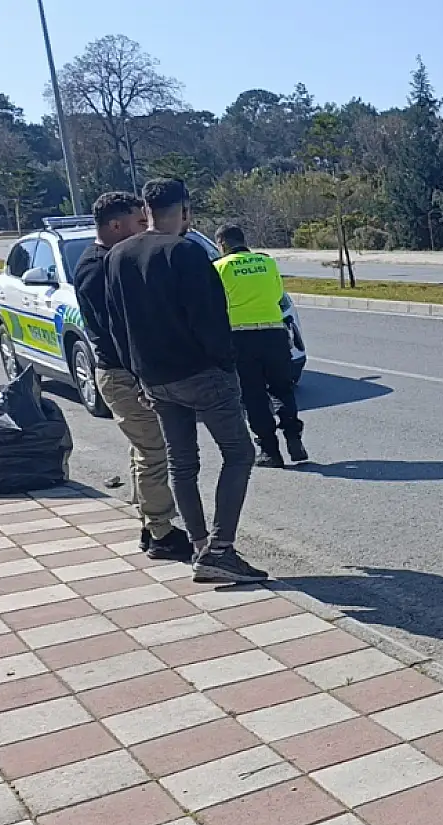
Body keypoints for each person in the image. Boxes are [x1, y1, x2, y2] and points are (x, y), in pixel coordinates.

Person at [103, 178, 267, 584]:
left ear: (146, 209)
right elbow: (211, 319)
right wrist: (227, 365)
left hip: (154, 378)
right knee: (239, 453)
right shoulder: (187, 252)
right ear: (185, 211)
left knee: (182, 462)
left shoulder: (118, 256)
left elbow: (116, 324)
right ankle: (221, 550)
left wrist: (138, 374)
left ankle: (199, 546)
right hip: (202, 374)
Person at [73, 191, 194, 562]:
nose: (146, 229)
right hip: (123, 374)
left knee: (144, 450)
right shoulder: (98, 269)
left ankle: (149, 522)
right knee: (153, 452)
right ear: (115, 225)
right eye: (140, 222)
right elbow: (119, 330)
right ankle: (161, 533)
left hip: (126, 373)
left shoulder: (109, 260)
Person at [212, 224, 305, 468]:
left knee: (253, 395)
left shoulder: (219, 267)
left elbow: (216, 304)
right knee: (282, 389)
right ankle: (293, 436)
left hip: (240, 337)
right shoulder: (268, 263)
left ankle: (270, 451)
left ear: (222, 244)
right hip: (274, 333)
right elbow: (277, 295)